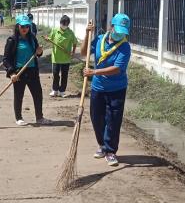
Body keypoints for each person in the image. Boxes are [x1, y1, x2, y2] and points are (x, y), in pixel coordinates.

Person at [80, 14, 131, 167]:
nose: (120, 33)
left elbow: (117, 68)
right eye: (118, 29)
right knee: (97, 118)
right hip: (98, 88)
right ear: (111, 26)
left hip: (117, 89)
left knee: (113, 120)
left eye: (123, 31)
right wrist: (87, 34)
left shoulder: (124, 46)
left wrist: (94, 72)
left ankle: (110, 151)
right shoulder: (100, 39)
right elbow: (84, 52)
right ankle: (102, 145)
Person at [3, 14, 52, 126]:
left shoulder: (32, 38)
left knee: (38, 94)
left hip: (32, 71)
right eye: (22, 26)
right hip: (19, 72)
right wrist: (11, 73)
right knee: (19, 95)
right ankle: (19, 118)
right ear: (17, 26)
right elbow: (6, 59)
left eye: (27, 26)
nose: (25, 29)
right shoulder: (12, 40)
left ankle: (39, 117)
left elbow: (37, 54)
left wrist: (39, 52)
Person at [48, 15, 77, 98]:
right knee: (55, 74)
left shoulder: (70, 33)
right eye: (63, 24)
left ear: (68, 24)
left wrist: (73, 52)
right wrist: (48, 39)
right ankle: (55, 90)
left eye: (66, 24)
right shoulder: (54, 30)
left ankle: (62, 91)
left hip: (66, 58)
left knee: (65, 75)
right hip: (56, 57)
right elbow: (50, 39)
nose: (64, 26)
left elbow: (75, 43)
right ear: (60, 23)